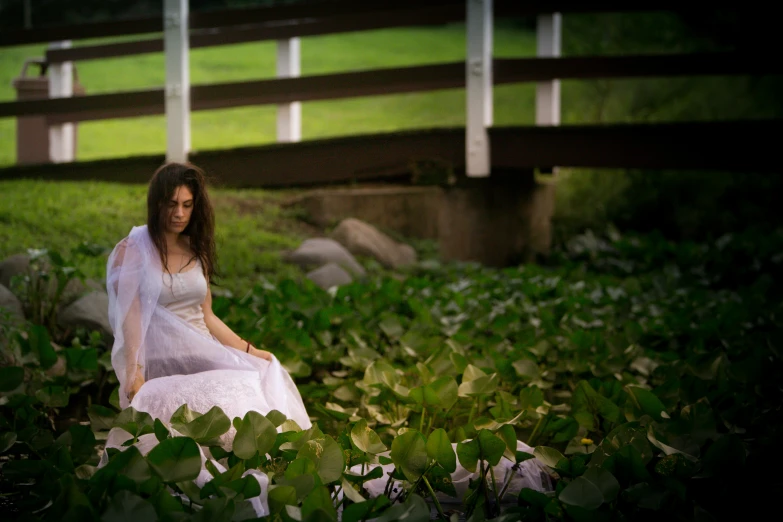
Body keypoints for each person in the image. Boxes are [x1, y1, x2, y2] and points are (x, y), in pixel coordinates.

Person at [105, 161, 311, 433]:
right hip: (162, 364)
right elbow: (131, 316)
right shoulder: (133, 249)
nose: (179, 213)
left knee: (249, 395)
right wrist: (135, 373)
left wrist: (250, 350)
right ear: (156, 204)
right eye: (172, 204)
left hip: (204, 354)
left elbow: (207, 316)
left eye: (187, 205)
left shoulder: (196, 250)